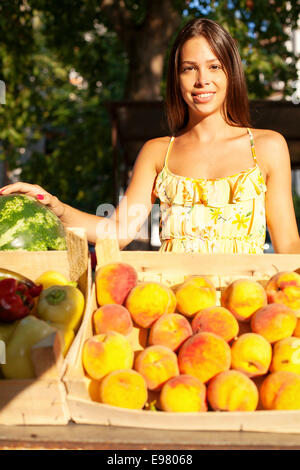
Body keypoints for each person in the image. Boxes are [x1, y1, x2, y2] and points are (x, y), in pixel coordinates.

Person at [1, 18, 300, 254]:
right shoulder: (157, 153)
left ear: (230, 74)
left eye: (214, 67)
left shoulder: (268, 146)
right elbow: (117, 232)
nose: (202, 80)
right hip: (172, 313)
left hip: (247, 314)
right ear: (177, 77)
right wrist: (56, 207)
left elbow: (288, 245)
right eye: (189, 69)